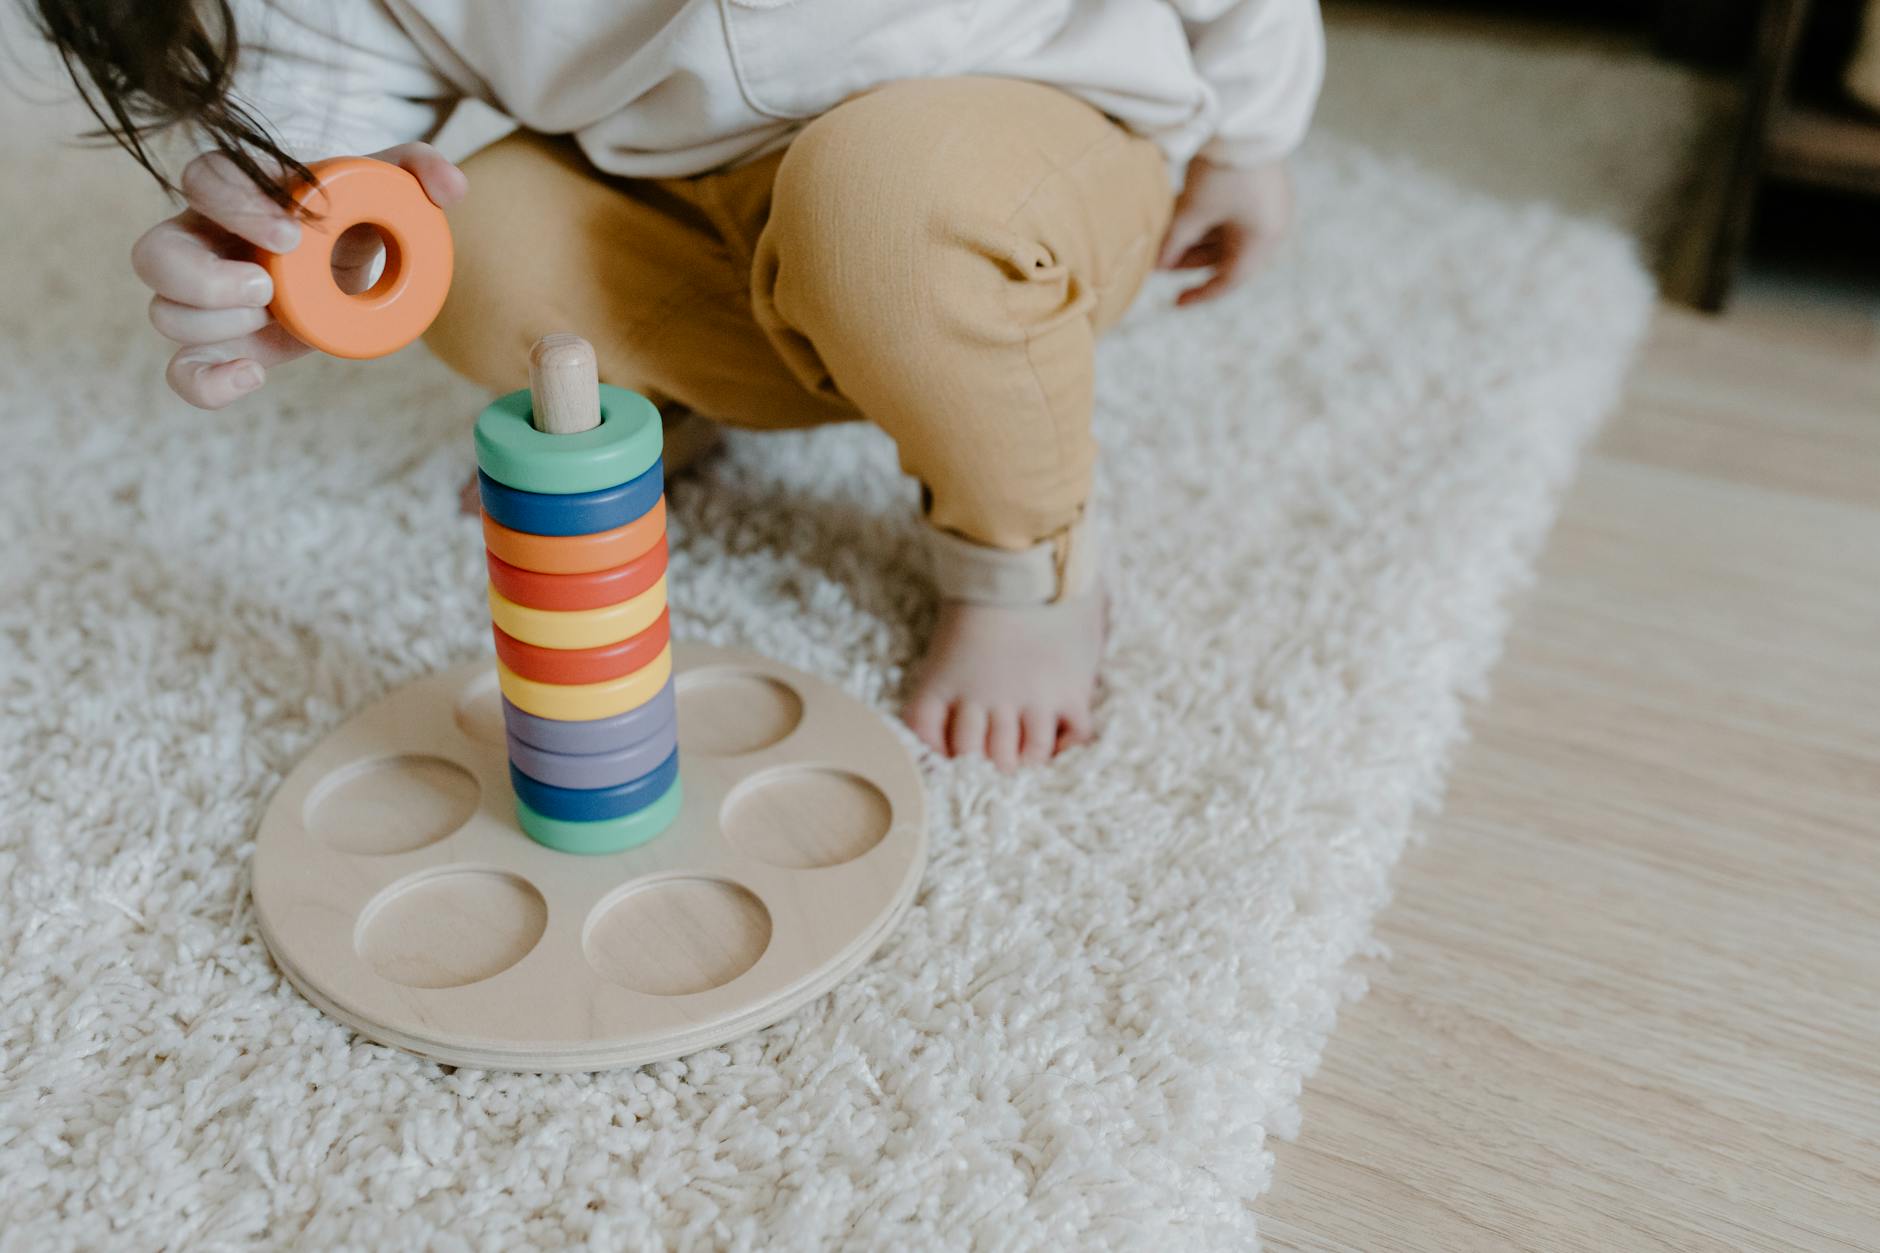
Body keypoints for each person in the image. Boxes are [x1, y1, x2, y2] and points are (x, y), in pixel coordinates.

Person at [32, 0, 1322, 769]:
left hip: (1021, 132)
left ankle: (1024, 553)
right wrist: (289, 257)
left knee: (880, 206)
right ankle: (681, 392)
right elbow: (327, 140)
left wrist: (1253, 138)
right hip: (678, 191)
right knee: (475, 256)